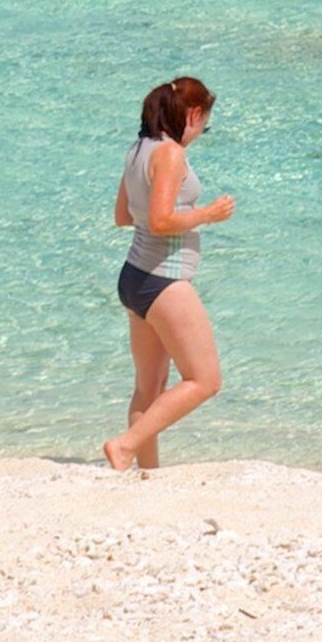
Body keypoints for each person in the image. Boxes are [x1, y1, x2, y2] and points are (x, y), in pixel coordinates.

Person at [105, 76, 235, 473]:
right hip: (163, 278)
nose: (199, 134)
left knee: (149, 388)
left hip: (134, 276)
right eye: (204, 125)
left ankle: (146, 473)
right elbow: (160, 221)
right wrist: (207, 215)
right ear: (192, 114)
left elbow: (123, 217)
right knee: (205, 380)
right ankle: (124, 445)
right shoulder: (171, 154)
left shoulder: (137, 149)